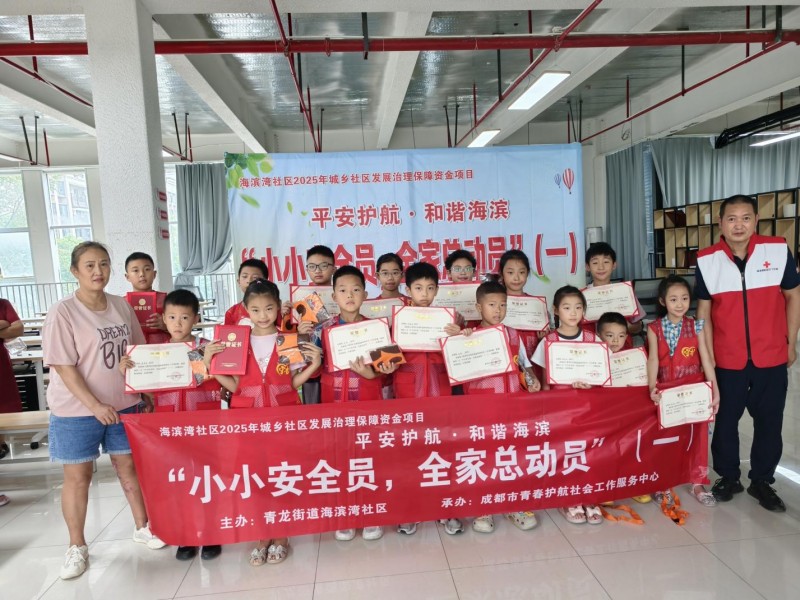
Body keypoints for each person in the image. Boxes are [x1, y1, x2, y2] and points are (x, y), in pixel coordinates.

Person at [43, 241, 166, 581]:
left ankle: (143, 526)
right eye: (89, 265)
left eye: (104, 264)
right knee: (78, 477)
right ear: (75, 271)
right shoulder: (63, 312)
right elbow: (64, 366)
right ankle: (76, 546)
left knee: (129, 468)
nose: (98, 271)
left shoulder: (120, 306)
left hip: (124, 404)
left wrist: (143, 390)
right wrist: (94, 405)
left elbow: (136, 350)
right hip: (76, 411)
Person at [696, 194, 800, 512]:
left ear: (756, 220)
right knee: (726, 421)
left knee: (769, 421)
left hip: (771, 354)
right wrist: (707, 355)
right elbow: (703, 313)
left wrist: (790, 342)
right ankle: (729, 477)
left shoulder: (777, 249)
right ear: (720, 223)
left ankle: (762, 481)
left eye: (745, 218)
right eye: (731, 218)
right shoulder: (707, 260)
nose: (738, 225)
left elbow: (794, 296)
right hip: (727, 358)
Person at [208, 278, 322, 566]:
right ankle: (261, 535)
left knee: (281, 474)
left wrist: (314, 366)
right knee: (254, 476)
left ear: (278, 307)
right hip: (247, 421)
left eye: (269, 308)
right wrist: (212, 366)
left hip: (282, 418)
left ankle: (281, 535)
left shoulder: (288, 340)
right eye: (256, 310)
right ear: (245, 309)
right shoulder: (237, 342)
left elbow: (292, 382)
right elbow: (236, 386)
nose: (263, 315)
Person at [120, 289, 223, 561]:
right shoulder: (154, 353)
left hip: (202, 425)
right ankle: (185, 536)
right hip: (169, 427)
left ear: (196, 319)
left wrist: (206, 359)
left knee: (205, 478)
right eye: (172, 317)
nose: (178, 323)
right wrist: (128, 371)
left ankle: (211, 534)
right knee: (178, 481)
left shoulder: (208, 347)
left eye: (185, 317)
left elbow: (213, 379)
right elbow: (143, 387)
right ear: (163, 319)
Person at [312, 266, 398, 542]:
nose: (349, 295)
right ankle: (346, 515)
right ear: (334, 296)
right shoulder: (321, 330)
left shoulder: (378, 327)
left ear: (365, 294)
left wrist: (372, 374)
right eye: (343, 290)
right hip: (334, 402)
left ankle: (371, 513)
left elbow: (390, 370)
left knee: (369, 457)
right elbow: (313, 372)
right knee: (339, 459)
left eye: (356, 289)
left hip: (368, 401)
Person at [392, 261, 464, 536]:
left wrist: (458, 335)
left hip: (440, 389)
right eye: (418, 288)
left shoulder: (450, 320)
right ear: (407, 289)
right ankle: (411, 510)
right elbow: (387, 354)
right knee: (410, 452)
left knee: (441, 450)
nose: (424, 294)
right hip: (408, 392)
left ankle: (445, 508)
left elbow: (461, 356)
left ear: (437, 290)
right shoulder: (397, 319)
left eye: (430, 288)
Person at [462, 281, 540, 534]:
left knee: (511, 454)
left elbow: (524, 364)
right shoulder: (469, 335)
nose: (498, 310)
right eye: (492, 305)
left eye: (503, 305)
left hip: (511, 404)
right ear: (479, 307)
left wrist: (531, 379)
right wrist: (460, 339)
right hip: (481, 407)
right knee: (483, 456)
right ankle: (484, 507)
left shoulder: (513, 334)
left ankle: (513, 504)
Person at [531, 286, 602, 525]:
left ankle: (589, 497)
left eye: (578, 307)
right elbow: (545, 383)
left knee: (588, 451)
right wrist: (548, 411)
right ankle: (568, 498)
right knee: (566, 451)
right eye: (567, 307)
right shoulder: (548, 341)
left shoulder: (593, 339)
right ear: (556, 310)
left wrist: (590, 384)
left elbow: (601, 374)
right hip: (560, 408)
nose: (573, 313)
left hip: (587, 406)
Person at [646, 277, 719, 507]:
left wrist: (714, 390)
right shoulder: (654, 328)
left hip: (694, 391)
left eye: (685, 298)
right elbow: (653, 360)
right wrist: (652, 387)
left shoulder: (696, 325)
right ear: (663, 301)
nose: (680, 304)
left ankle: (697, 482)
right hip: (667, 391)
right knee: (665, 437)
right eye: (673, 299)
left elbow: (706, 359)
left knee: (697, 437)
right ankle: (663, 482)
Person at [597, 311, 651, 505]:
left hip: (627, 413)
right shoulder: (594, 359)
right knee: (607, 451)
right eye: (609, 335)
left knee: (629, 448)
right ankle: (606, 488)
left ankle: (630, 485)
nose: (615, 341)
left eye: (621, 336)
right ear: (599, 336)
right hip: (605, 414)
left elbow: (643, 381)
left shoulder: (633, 358)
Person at [585, 242, 645, 342]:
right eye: (595, 263)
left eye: (606, 262)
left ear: (614, 265)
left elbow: (638, 326)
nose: (601, 267)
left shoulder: (626, 292)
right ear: (587, 267)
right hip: (593, 347)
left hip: (622, 347)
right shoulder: (582, 296)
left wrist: (627, 327)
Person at [124, 251, 170, 344]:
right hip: (134, 350)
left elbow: (184, 327)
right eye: (135, 270)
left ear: (154, 274)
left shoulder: (168, 300)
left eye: (147, 269)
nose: (142, 274)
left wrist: (167, 325)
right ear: (127, 277)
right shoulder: (121, 303)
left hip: (164, 348)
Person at [0, 297, 24, 459]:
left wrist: (7, 324)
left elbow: (18, 329)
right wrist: (3, 323)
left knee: (3, 402)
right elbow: (9, 325)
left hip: (0, 363)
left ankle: (1, 443)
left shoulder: (3, 304)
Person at [225, 258, 269, 326]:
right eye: (245, 276)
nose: (249, 281)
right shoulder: (231, 313)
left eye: (255, 277)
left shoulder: (275, 310)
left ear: (265, 282)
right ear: (238, 282)